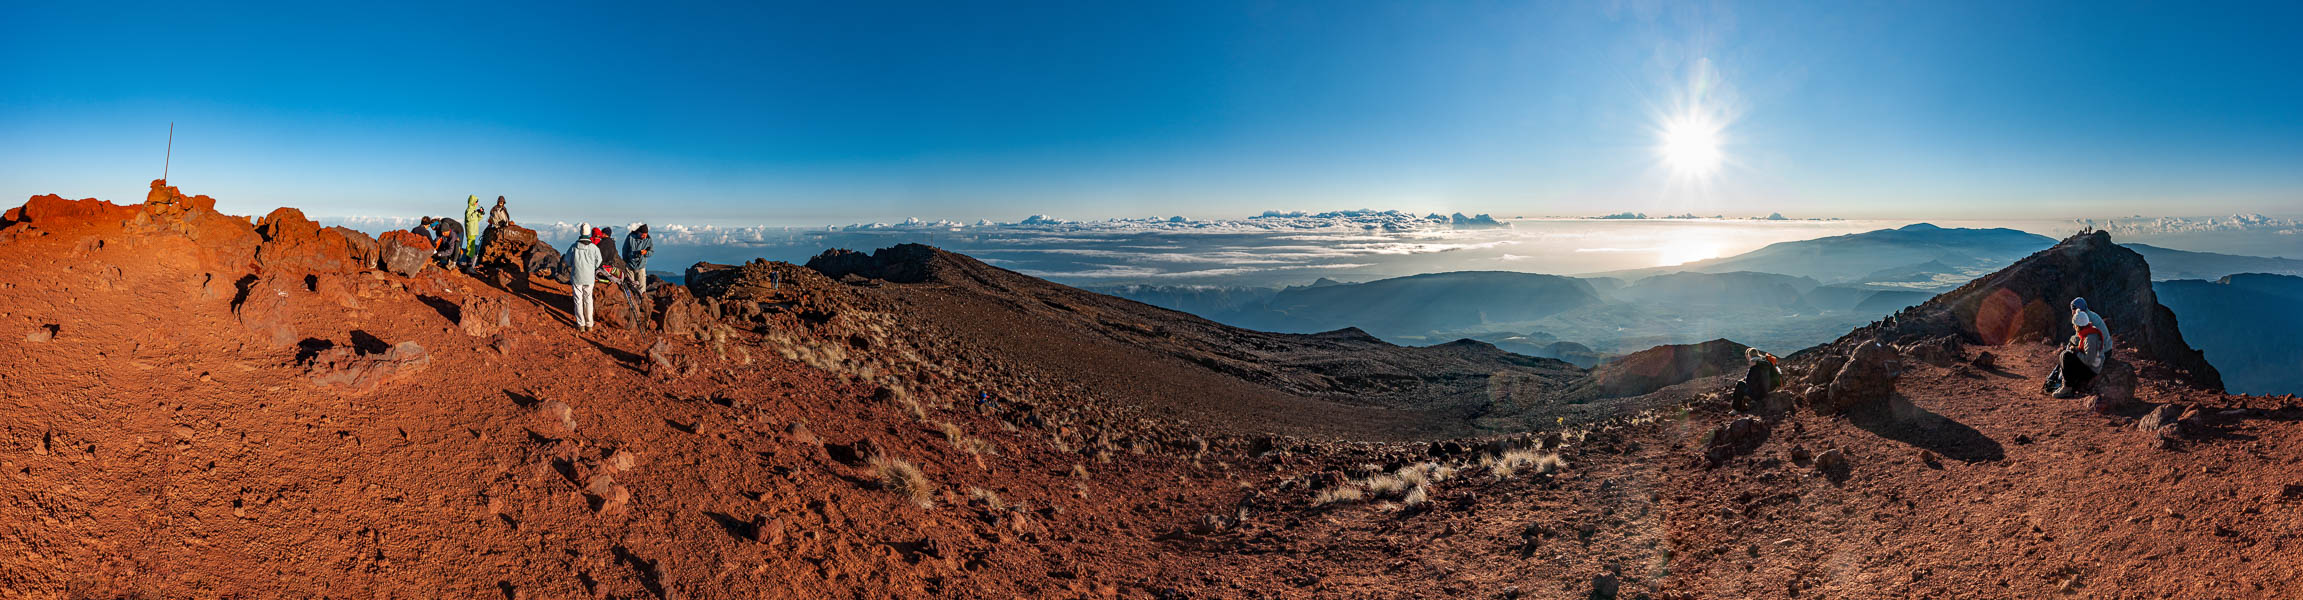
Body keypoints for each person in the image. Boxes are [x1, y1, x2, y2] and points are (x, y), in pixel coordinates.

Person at [2049, 297, 2113, 398]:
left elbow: (2088, 358)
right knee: (2066, 354)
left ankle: (2067, 387)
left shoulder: (2087, 327)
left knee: (2067, 356)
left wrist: (2075, 350)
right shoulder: (2087, 317)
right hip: (2105, 350)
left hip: (2101, 355)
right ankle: (2065, 381)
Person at [567, 231, 603, 331]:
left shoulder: (574, 247)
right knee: (588, 300)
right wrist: (592, 268)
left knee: (578, 300)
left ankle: (581, 324)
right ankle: (589, 324)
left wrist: (574, 266)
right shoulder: (594, 248)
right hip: (589, 277)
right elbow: (599, 261)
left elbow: (568, 260)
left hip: (577, 276)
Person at [1730, 347, 1782, 412]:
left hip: (1758, 394)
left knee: (1740, 384)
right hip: (1768, 390)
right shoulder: (1766, 363)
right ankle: (1745, 404)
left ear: (1749, 356)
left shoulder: (1754, 365)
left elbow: (1749, 382)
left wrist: (1744, 381)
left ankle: (1735, 409)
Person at [624, 224, 654, 294]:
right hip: (630, 266)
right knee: (631, 286)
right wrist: (626, 262)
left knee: (642, 287)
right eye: (643, 235)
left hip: (641, 266)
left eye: (646, 235)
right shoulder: (630, 237)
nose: (645, 236)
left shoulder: (648, 240)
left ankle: (642, 302)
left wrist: (646, 252)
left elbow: (651, 252)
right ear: (639, 232)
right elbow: (625, 250)